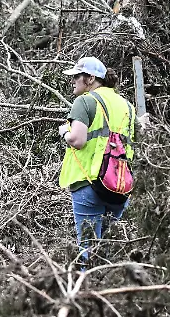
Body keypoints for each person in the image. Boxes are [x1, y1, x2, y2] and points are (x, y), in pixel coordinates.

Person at [57, 56, 135, 271]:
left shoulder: (85, 101)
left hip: (88, 183)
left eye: (77, 76)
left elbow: (77, 140)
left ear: (90, 78)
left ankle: (87, 288)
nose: (73, 81)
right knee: (106, 251)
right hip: (119, 187)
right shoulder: (127, 105)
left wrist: (64, 132)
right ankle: (107, 286)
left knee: (88, 250)